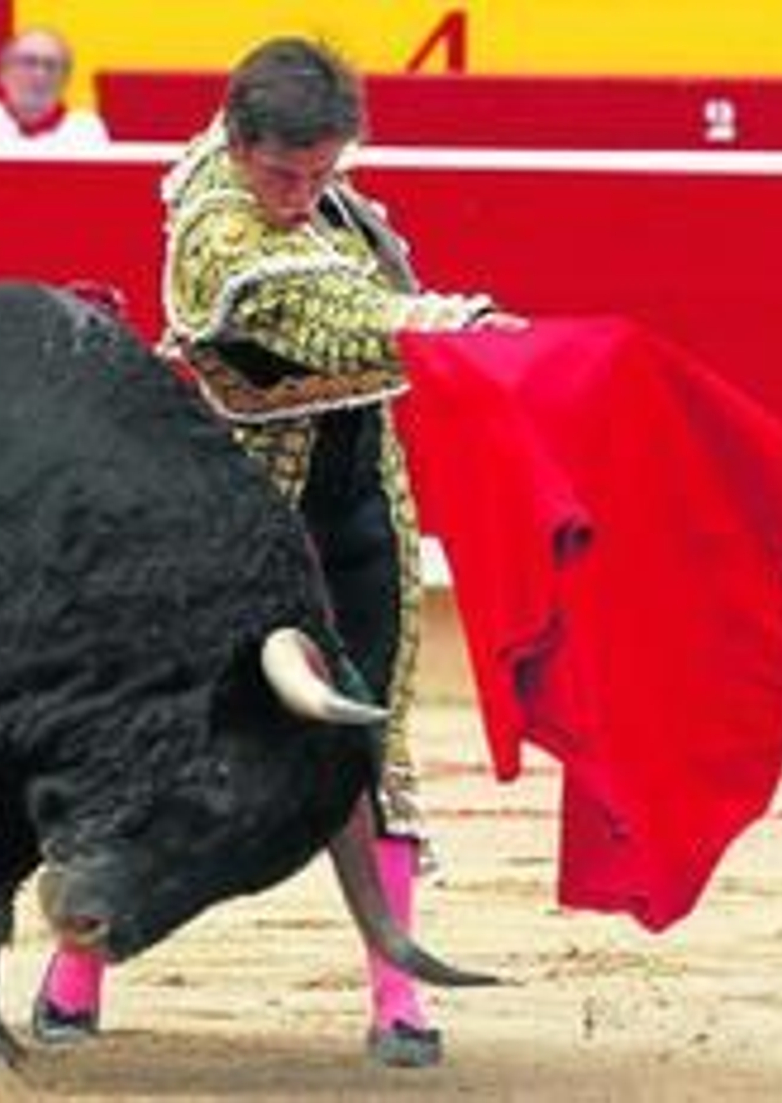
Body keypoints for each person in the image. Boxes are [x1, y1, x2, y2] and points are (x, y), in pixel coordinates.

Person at [29, 37, 525, 1069]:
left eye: (321, 173)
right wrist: (440, 324)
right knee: (160, 737)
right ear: (237, 141)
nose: (300, 196)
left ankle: (397, 986)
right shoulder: (216, 224)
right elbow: (313, 306)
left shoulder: (333, 206)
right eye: (283, 174)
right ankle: (76, 965)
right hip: (230, 521)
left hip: (357, 506)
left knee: (370, 747)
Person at [0, 27, 108, 151]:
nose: (40, 74)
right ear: (4, 73)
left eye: (50, 65)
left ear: (65, 79)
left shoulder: (86, 129)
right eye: (29, 62)